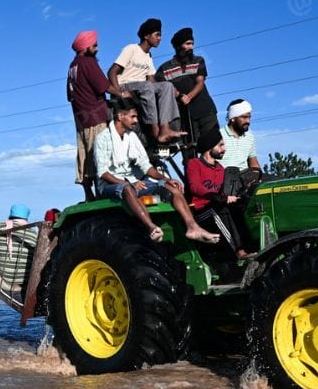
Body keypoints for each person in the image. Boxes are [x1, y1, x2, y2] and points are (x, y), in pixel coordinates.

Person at [94, 97, 219, 244]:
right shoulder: (102, 138)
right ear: (120, 116)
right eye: (133, 116)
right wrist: (130, 183)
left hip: (133, 182)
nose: (136, 121)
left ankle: (192, 228)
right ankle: (152, 228)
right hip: (111, 185)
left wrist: (165, 179)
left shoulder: (131, 137)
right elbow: (102, 173)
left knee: (171, 187)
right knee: (127, 188)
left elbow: (146, 166)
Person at [68, 30, 132, 201]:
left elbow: (70, 95)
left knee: (85, 155)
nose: (97, 48)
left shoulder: (72, 66)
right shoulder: (88, 62)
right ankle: (103, 193)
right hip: (95, 116)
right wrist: (121, 94)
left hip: (81, 118)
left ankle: (89, 195)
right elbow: (103, 86)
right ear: (85, 47)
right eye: (94, 45)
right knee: (100, 156)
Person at [108, 19, 185, 146]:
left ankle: (165, 128)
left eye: (160, 35)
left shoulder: (148, 56)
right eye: (157, 35)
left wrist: (169, 91)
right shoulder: (131, 49)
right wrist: (119, 94)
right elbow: (112, 72)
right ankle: (155, 130)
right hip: (126, 85)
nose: (160, 38)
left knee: (167, 86)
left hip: (142, 87)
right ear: (146, 36)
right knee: (147, 86)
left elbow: (151, 79)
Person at [186, 129, 251, 259]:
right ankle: (239, 251)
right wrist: (219, 197)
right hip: (201, 212)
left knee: (242, 208)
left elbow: (227, 191)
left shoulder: (220, 168)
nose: (224, 149)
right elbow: (195, 187)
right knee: (220, 209)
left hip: (218, 205)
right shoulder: (194, 164)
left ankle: (252, 246)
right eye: (220, 145)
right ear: (209, 147)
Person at [157, 27, 218, 158]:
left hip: (205, 111)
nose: (191, 47)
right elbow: (163, 88)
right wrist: (179, 95)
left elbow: (200, 82)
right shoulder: (164, 69)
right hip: (184, 116)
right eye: (187, 44)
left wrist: (189, 96)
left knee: (212, 149)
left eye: (192, 43)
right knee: (190, 152)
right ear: (179, 46)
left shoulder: (199, 61)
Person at [220, 99, 260, 172]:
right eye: (244, 117)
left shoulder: (250, 137)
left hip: (244, 179)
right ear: (233, 118)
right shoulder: (218, 135)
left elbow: (254, 163)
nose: (248, 121)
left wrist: (257, 176)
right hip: (222, 179)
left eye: (249, 117)